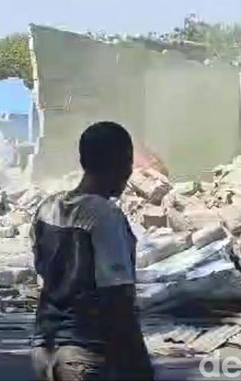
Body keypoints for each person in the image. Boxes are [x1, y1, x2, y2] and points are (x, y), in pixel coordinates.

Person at [30, 121, 154, 381]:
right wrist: (140, 363)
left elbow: (43, 275)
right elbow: (118, 296)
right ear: (120, 164)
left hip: (44, 349)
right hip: (86, 352)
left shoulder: (47, 208)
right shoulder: (103, 215)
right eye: (128, 163)